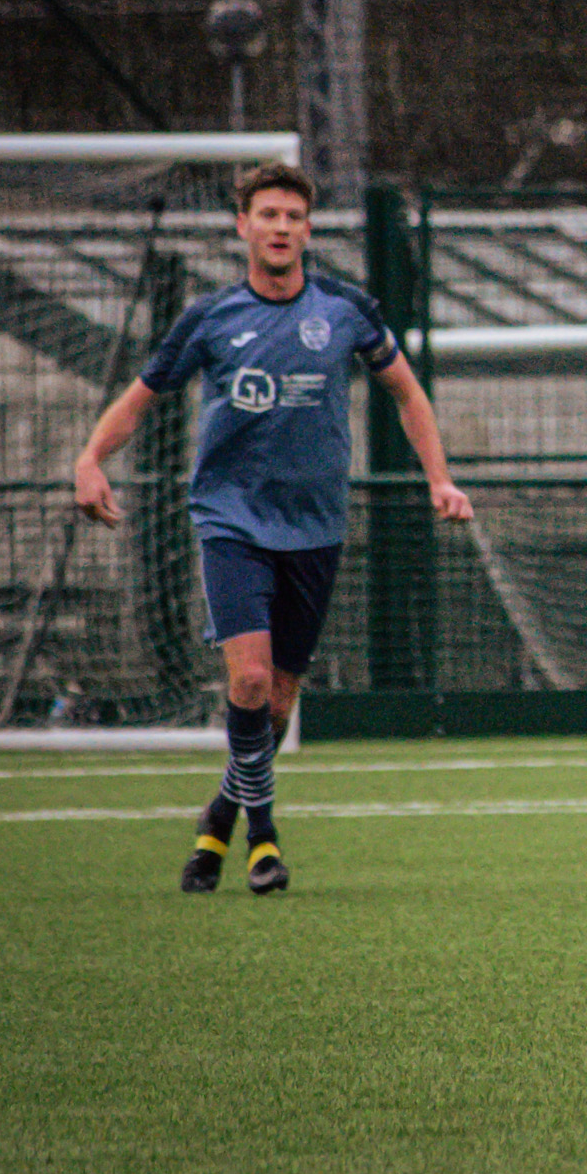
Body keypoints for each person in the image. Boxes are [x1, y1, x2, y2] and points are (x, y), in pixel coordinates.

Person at [73, 162, 473, 895]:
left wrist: (439, 478)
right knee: (250, 679)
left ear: (308, 230)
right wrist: (91, 457)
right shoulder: (211, 318)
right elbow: (141, 397)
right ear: (243, 227)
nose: (281, 227)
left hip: (315, 527)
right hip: (231, 520)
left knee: (278, 702)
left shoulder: (345, 309)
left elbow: (407, 393)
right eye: (268, 214)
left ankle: (217, 821)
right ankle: (263, 841)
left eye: (293, 216)